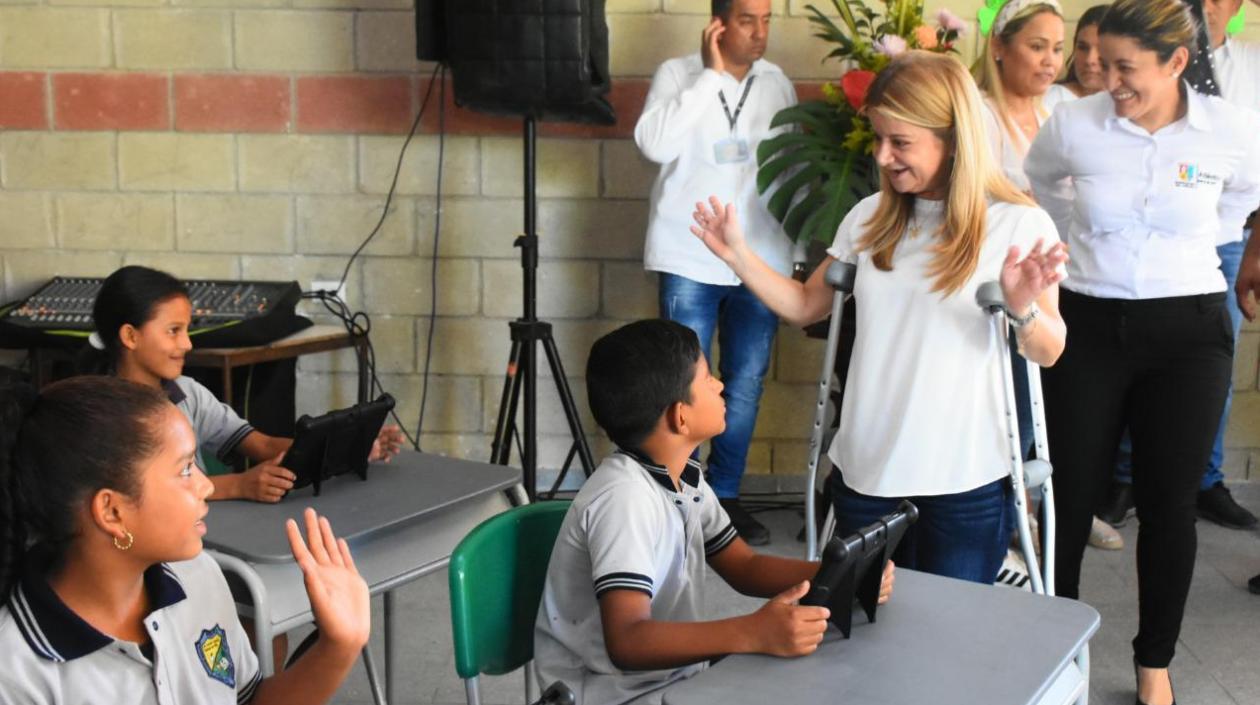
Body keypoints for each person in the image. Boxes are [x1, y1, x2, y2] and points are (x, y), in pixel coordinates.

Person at [691, 51, 1068, 584]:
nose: (884, 156)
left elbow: (1049, 349)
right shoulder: (869, 217)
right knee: (864, 633)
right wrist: (737, 256)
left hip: (964, 476)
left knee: (951, 636)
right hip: (868, 470)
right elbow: (805, 304)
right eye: (879, 138)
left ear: (954, 138)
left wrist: (1022, 306)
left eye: (901, 142)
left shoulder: (1017, 225)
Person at [1024, 0, 1260, 701]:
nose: (1108, 78)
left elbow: (1240, 200)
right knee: (1069, 494)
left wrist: (1181, 247)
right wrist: (1078, 243)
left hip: (1189, 330)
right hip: (1090, 325)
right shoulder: (1075, 121)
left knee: (1169, 505)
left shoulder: (1228, 129)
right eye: (1100, 62)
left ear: (1177, 62)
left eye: (1126, 67)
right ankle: (1055, 644)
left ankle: (1153, 660)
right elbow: (1040, 184)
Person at [533, 319, 895, 705]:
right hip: (608, 694)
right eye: (707, 380)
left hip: (671, 679)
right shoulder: (624, 499)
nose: (720, 386)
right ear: (680, 416)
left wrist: (843, 574)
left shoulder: (683, 477)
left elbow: (745, 566)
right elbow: (628, 640)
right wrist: (752, 632)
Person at [0, 374, 370, 704]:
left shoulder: (198, 575)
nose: (206, 485)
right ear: (112, 512)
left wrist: (338, 648)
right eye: (186, 469)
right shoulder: (16, 672)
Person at [633, 0, 799, 545]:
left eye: (767, 20)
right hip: (689, 256)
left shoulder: (777, 83)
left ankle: (723, 500)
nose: (761, 32)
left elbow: (790, 170)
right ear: (719, 23)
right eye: (749, 20)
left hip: (758, 259)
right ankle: (684, 499)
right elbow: (654, 145)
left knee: (745, 384)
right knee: (682, 385)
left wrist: (792, 254)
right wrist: (709, 77)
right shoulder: (678, 76)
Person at [1099, 0, 1260, 532]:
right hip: (1151, 230)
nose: (1208, 5)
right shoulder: (1150, 61)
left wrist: (1240, 237)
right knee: (1139, 350)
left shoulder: (1251, 65)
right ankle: (1127, 477)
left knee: (1213, 359)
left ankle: (1204, 480)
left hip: (1223, 234)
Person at [85, 265, 404, 504]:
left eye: (187, 330)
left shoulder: (187, 393)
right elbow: (145, 495)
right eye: (173, 331)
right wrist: (239, 485)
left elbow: (261, 445)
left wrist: (348, 448)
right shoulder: (100, 415)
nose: (187, 344)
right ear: (130, 336)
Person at [1046, 4, 1110, 107]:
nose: (1090, 60)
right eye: (1083, 48)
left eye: (1101, 49)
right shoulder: (1052, 100)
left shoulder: (1133, 109)